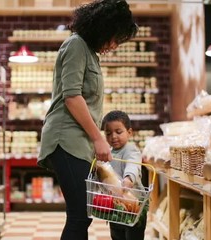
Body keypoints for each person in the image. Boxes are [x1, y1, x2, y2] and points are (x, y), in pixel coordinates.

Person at [37, 1, 138, 239]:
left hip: (78, 143)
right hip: (66, 140)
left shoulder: (89, 52)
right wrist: (98, 138)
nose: (114, 45)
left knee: (83, 214)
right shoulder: (76, 45)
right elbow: (72, 97)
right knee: (80, 215)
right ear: (102, 27)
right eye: (114, 38)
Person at [101, 110, 146, 240]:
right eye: (108, 133)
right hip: (116, 206)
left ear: (129, 132)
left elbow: (133, 163)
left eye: (118, 132)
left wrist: (129, 178)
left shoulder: (131, 149)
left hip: (134, 207)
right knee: (116, 235)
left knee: (133, 236)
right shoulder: (109, 152)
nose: (113, 136)